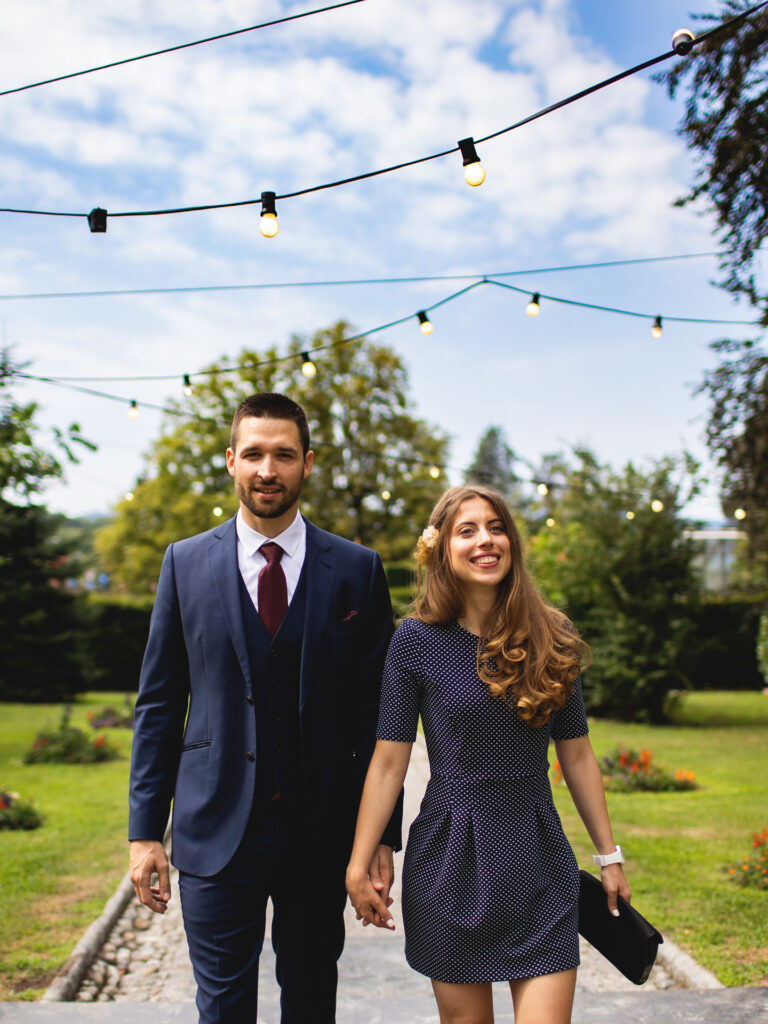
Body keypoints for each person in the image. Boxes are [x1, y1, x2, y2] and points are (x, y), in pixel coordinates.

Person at [128, 392, 402, 1024]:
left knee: (311, 1001)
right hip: (215, 827)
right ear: (230, 461)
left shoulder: (358, 570)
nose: (267, 470)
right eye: (253, 454)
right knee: (222, 1008)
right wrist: (146, 832)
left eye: (283, 455)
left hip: (320, 829)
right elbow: (160, 705)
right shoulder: (184, 562)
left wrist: (380, 837)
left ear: (308, 463)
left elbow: (377, 716)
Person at [346, 485, 630, 1024]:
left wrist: (608, 856)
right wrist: (359, 864)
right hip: (449, 858)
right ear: (442, 549)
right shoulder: (415, 641)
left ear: (512, 543)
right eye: (467, 529)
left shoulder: (552, 633)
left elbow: (577, 756)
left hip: (537, 856)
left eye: (496, 527)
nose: (486, 541)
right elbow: (388, 761)